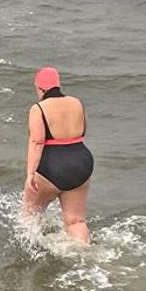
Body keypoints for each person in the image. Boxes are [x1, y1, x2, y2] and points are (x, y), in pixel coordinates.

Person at [22, 67, 94, 244]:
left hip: (52, 165)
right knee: (75, 220)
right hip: (81, 162)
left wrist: (31, 174)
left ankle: (31, 251)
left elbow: (36, 141)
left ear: (40, 88)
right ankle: (84, 256)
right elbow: (83, 130)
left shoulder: (38, 108)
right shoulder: (77, 102)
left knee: (29, 217)